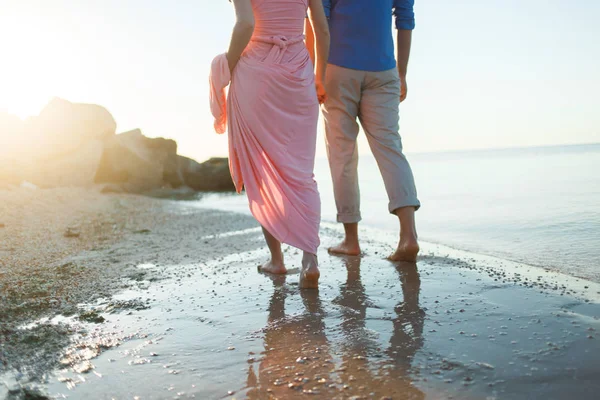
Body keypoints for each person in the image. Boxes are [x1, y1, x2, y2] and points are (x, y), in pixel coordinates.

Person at [210, 0, 330, 288]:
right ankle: (310, 260)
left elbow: (246, 24)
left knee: (260, 167)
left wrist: (227, 64)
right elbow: (322, 31)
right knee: (302, 172)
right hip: (299, 74)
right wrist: (319, 78)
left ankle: (277, 260)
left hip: (256, 75)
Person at [305, 0, 421, 261]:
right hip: (384, 69)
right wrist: (401, 73)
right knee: (391, 149)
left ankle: (351, 240)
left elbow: (316, 17)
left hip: (336, 68)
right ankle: (408, 236)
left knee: (342, 154)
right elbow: (405, 18)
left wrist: (317, 73)